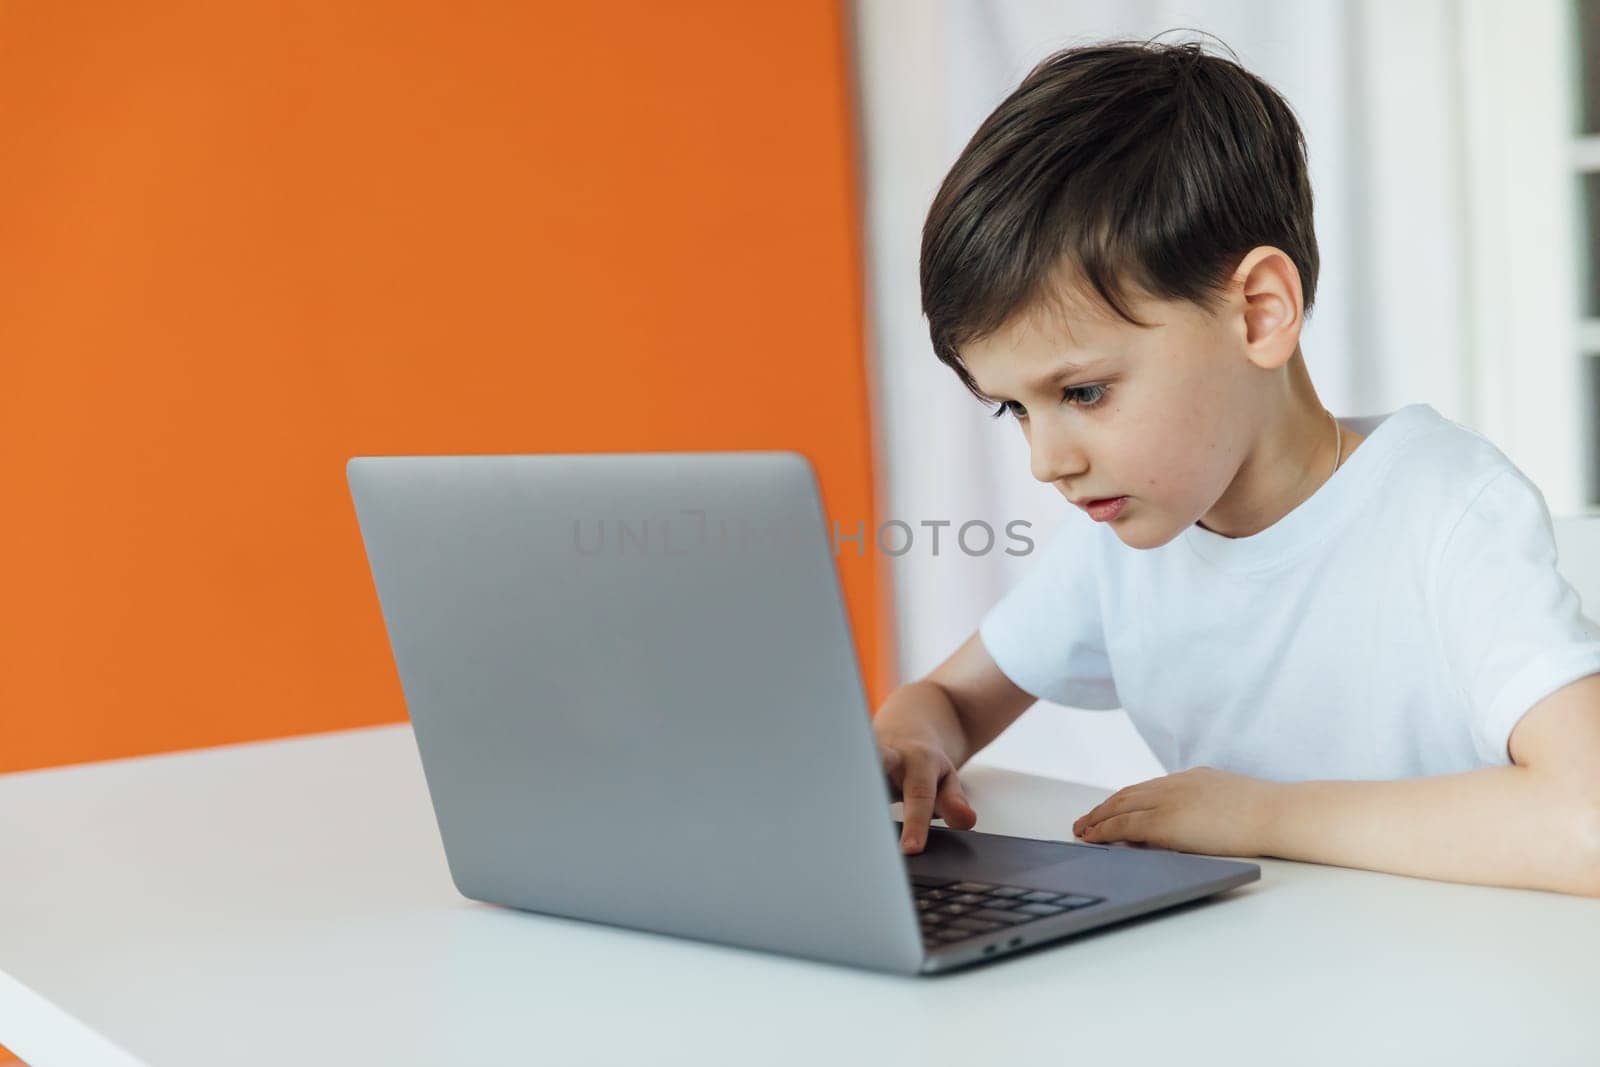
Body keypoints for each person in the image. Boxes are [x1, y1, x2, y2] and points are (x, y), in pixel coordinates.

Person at [873, 35, 1600, 896]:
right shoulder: (1128, 539)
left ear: (1259, 313)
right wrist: (914, 744)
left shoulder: (1443, 510)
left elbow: (1586, 819)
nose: (1046, 460)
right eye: (1014, 408)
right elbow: (947, 701)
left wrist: (1261, 815)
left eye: (1087, 392)